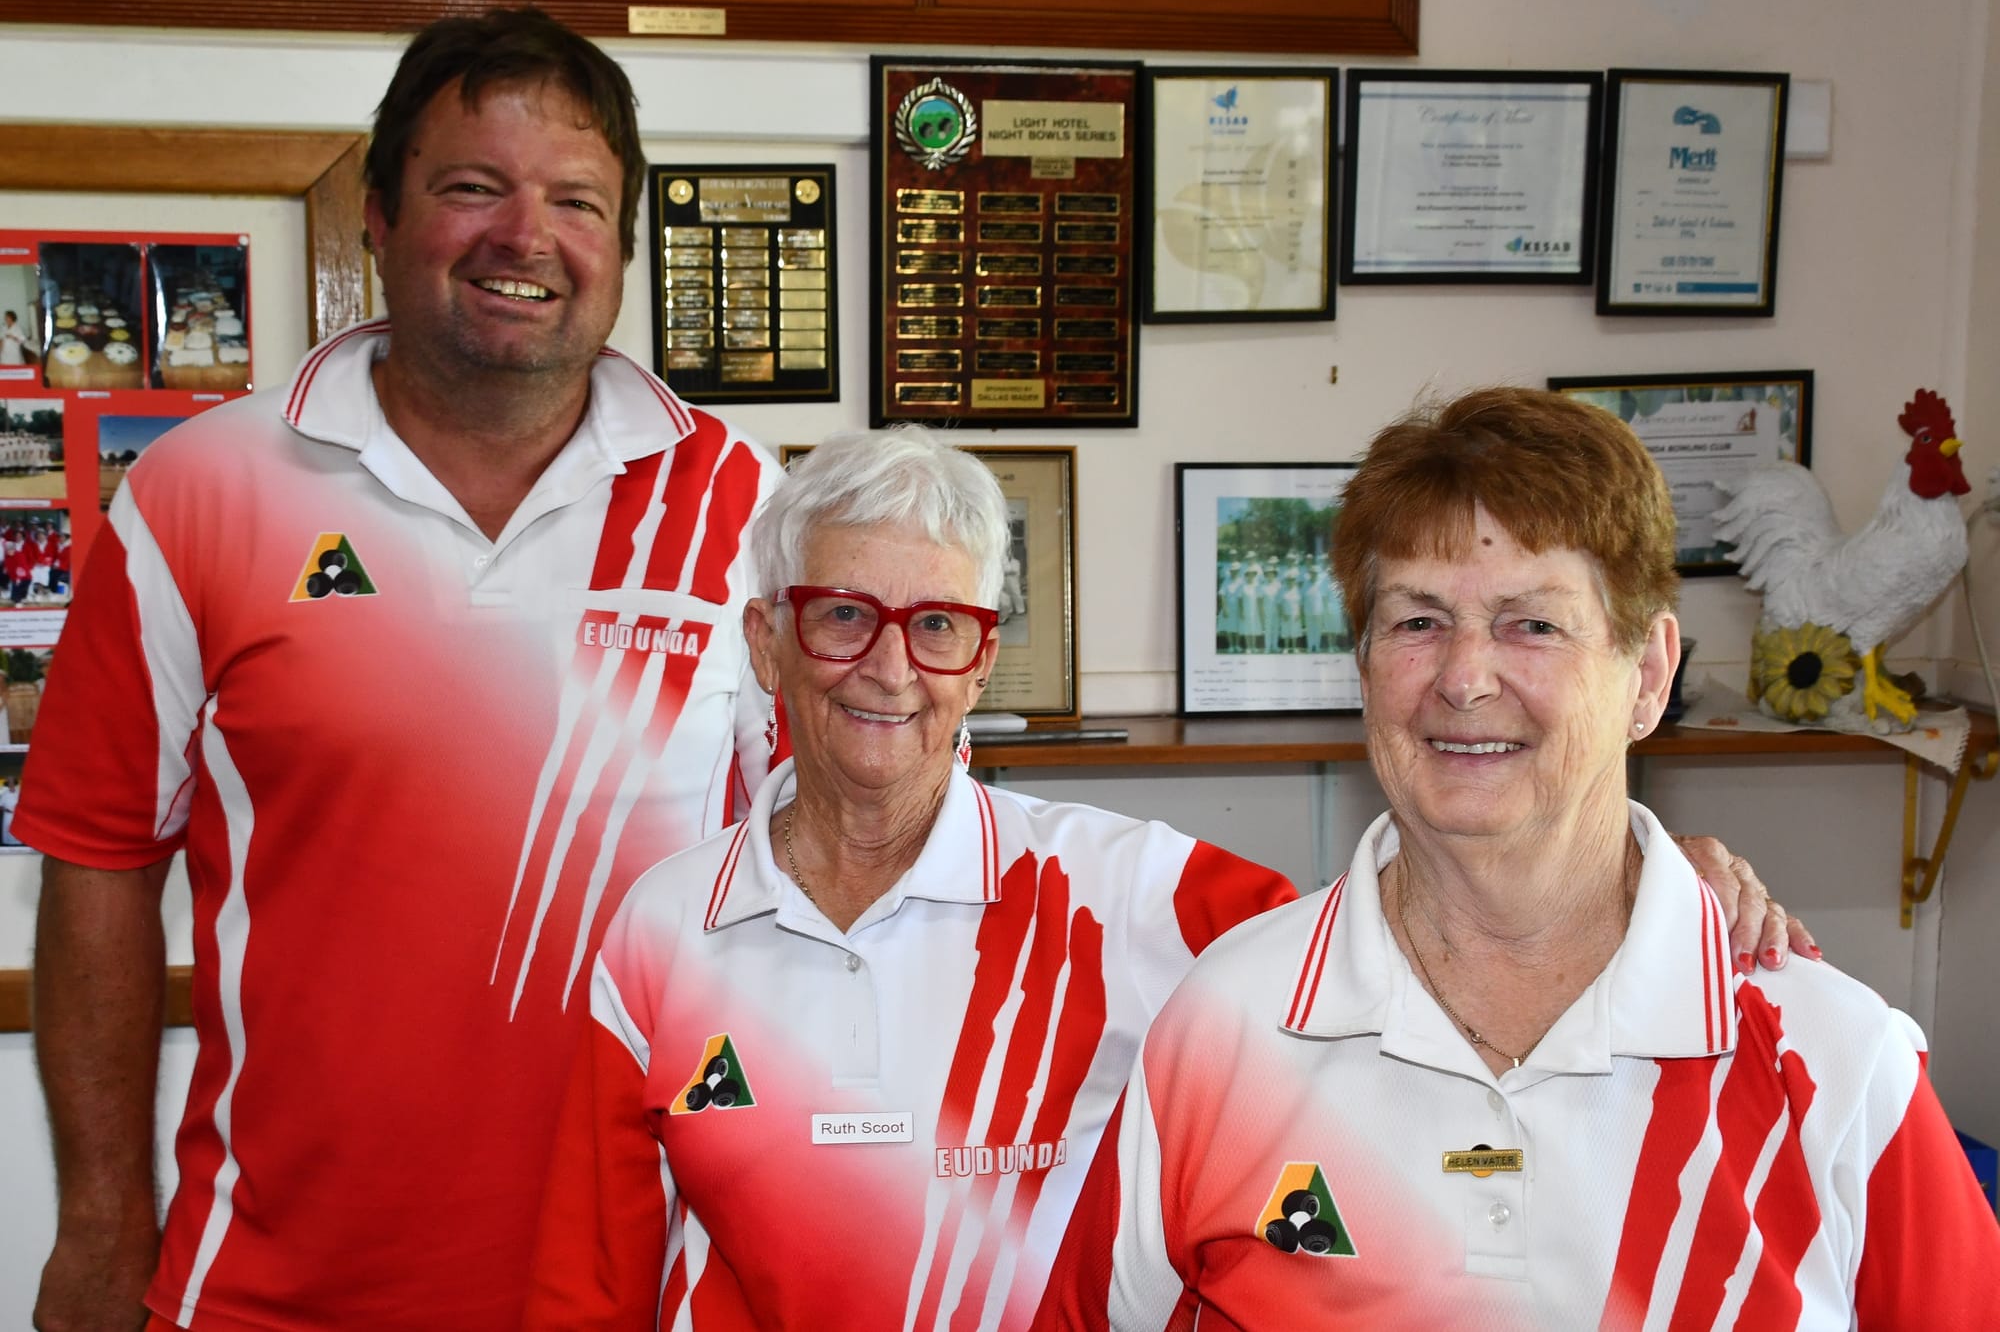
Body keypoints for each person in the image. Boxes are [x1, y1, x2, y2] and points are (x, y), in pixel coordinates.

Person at [523, 427, 1796, 1330]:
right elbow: (584, 1287)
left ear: (984, 659)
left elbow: (1419, 939)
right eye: (839, 614)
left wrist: (1622, 881)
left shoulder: (1136, 893)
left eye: (938, 623)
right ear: (766, 639)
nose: (887, 667)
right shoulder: (658, 933)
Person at [16, 9, 781, 1332]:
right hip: (273, 1289)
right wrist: (99, 1225)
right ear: (377, 215)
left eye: (576, 200)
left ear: (623, 245)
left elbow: (838, 877)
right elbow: (96, 859)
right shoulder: (201, 491)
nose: (522, 237)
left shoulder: (747, 506)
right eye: (471, 187)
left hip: (651, 1284)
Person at [1036, 387, 1996, 1330]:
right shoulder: (1225, 1026)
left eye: (1531, 623)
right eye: (1417, 620)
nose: (1462, 678)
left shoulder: (1830, 1058)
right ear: (1364, 665)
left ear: (1649, 675)